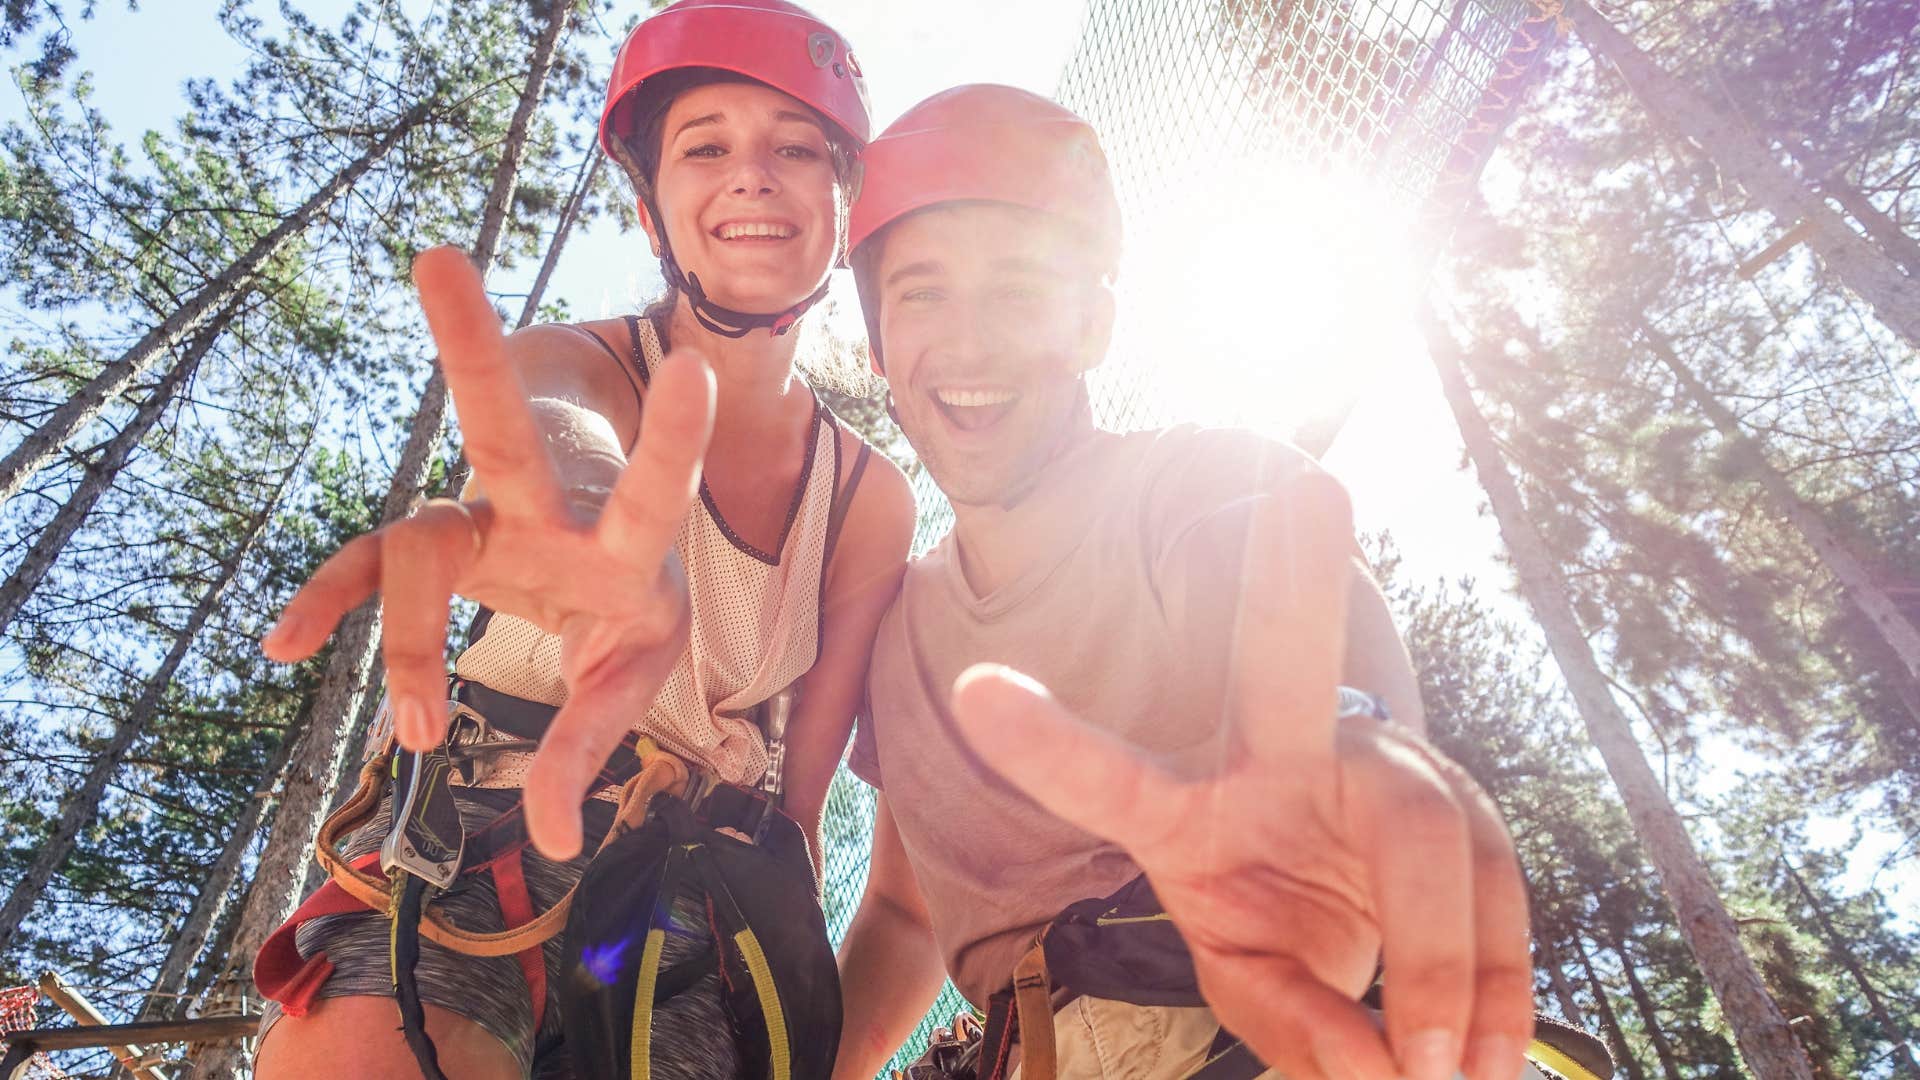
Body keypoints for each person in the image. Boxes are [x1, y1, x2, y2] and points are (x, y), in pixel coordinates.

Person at [249, 3, 915, 1077]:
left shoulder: (867, 498)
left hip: (697, 902)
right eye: (706, 146)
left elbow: (804, 796)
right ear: (652, 212)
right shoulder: (588, 359)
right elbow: (548, 418)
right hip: (477, 831)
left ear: (843, 204)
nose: (753, 174)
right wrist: (585, 509)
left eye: (796, 147)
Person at [831, 85, 1545, 1080]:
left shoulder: (1195, 485)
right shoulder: (897, 636)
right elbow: (907, 915)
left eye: (1019, 288)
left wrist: (1352, 757)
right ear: (878, 350)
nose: (970, 338)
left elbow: (1297, 623)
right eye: (922, 290)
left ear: (1093, 325)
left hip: (1234, 1018)